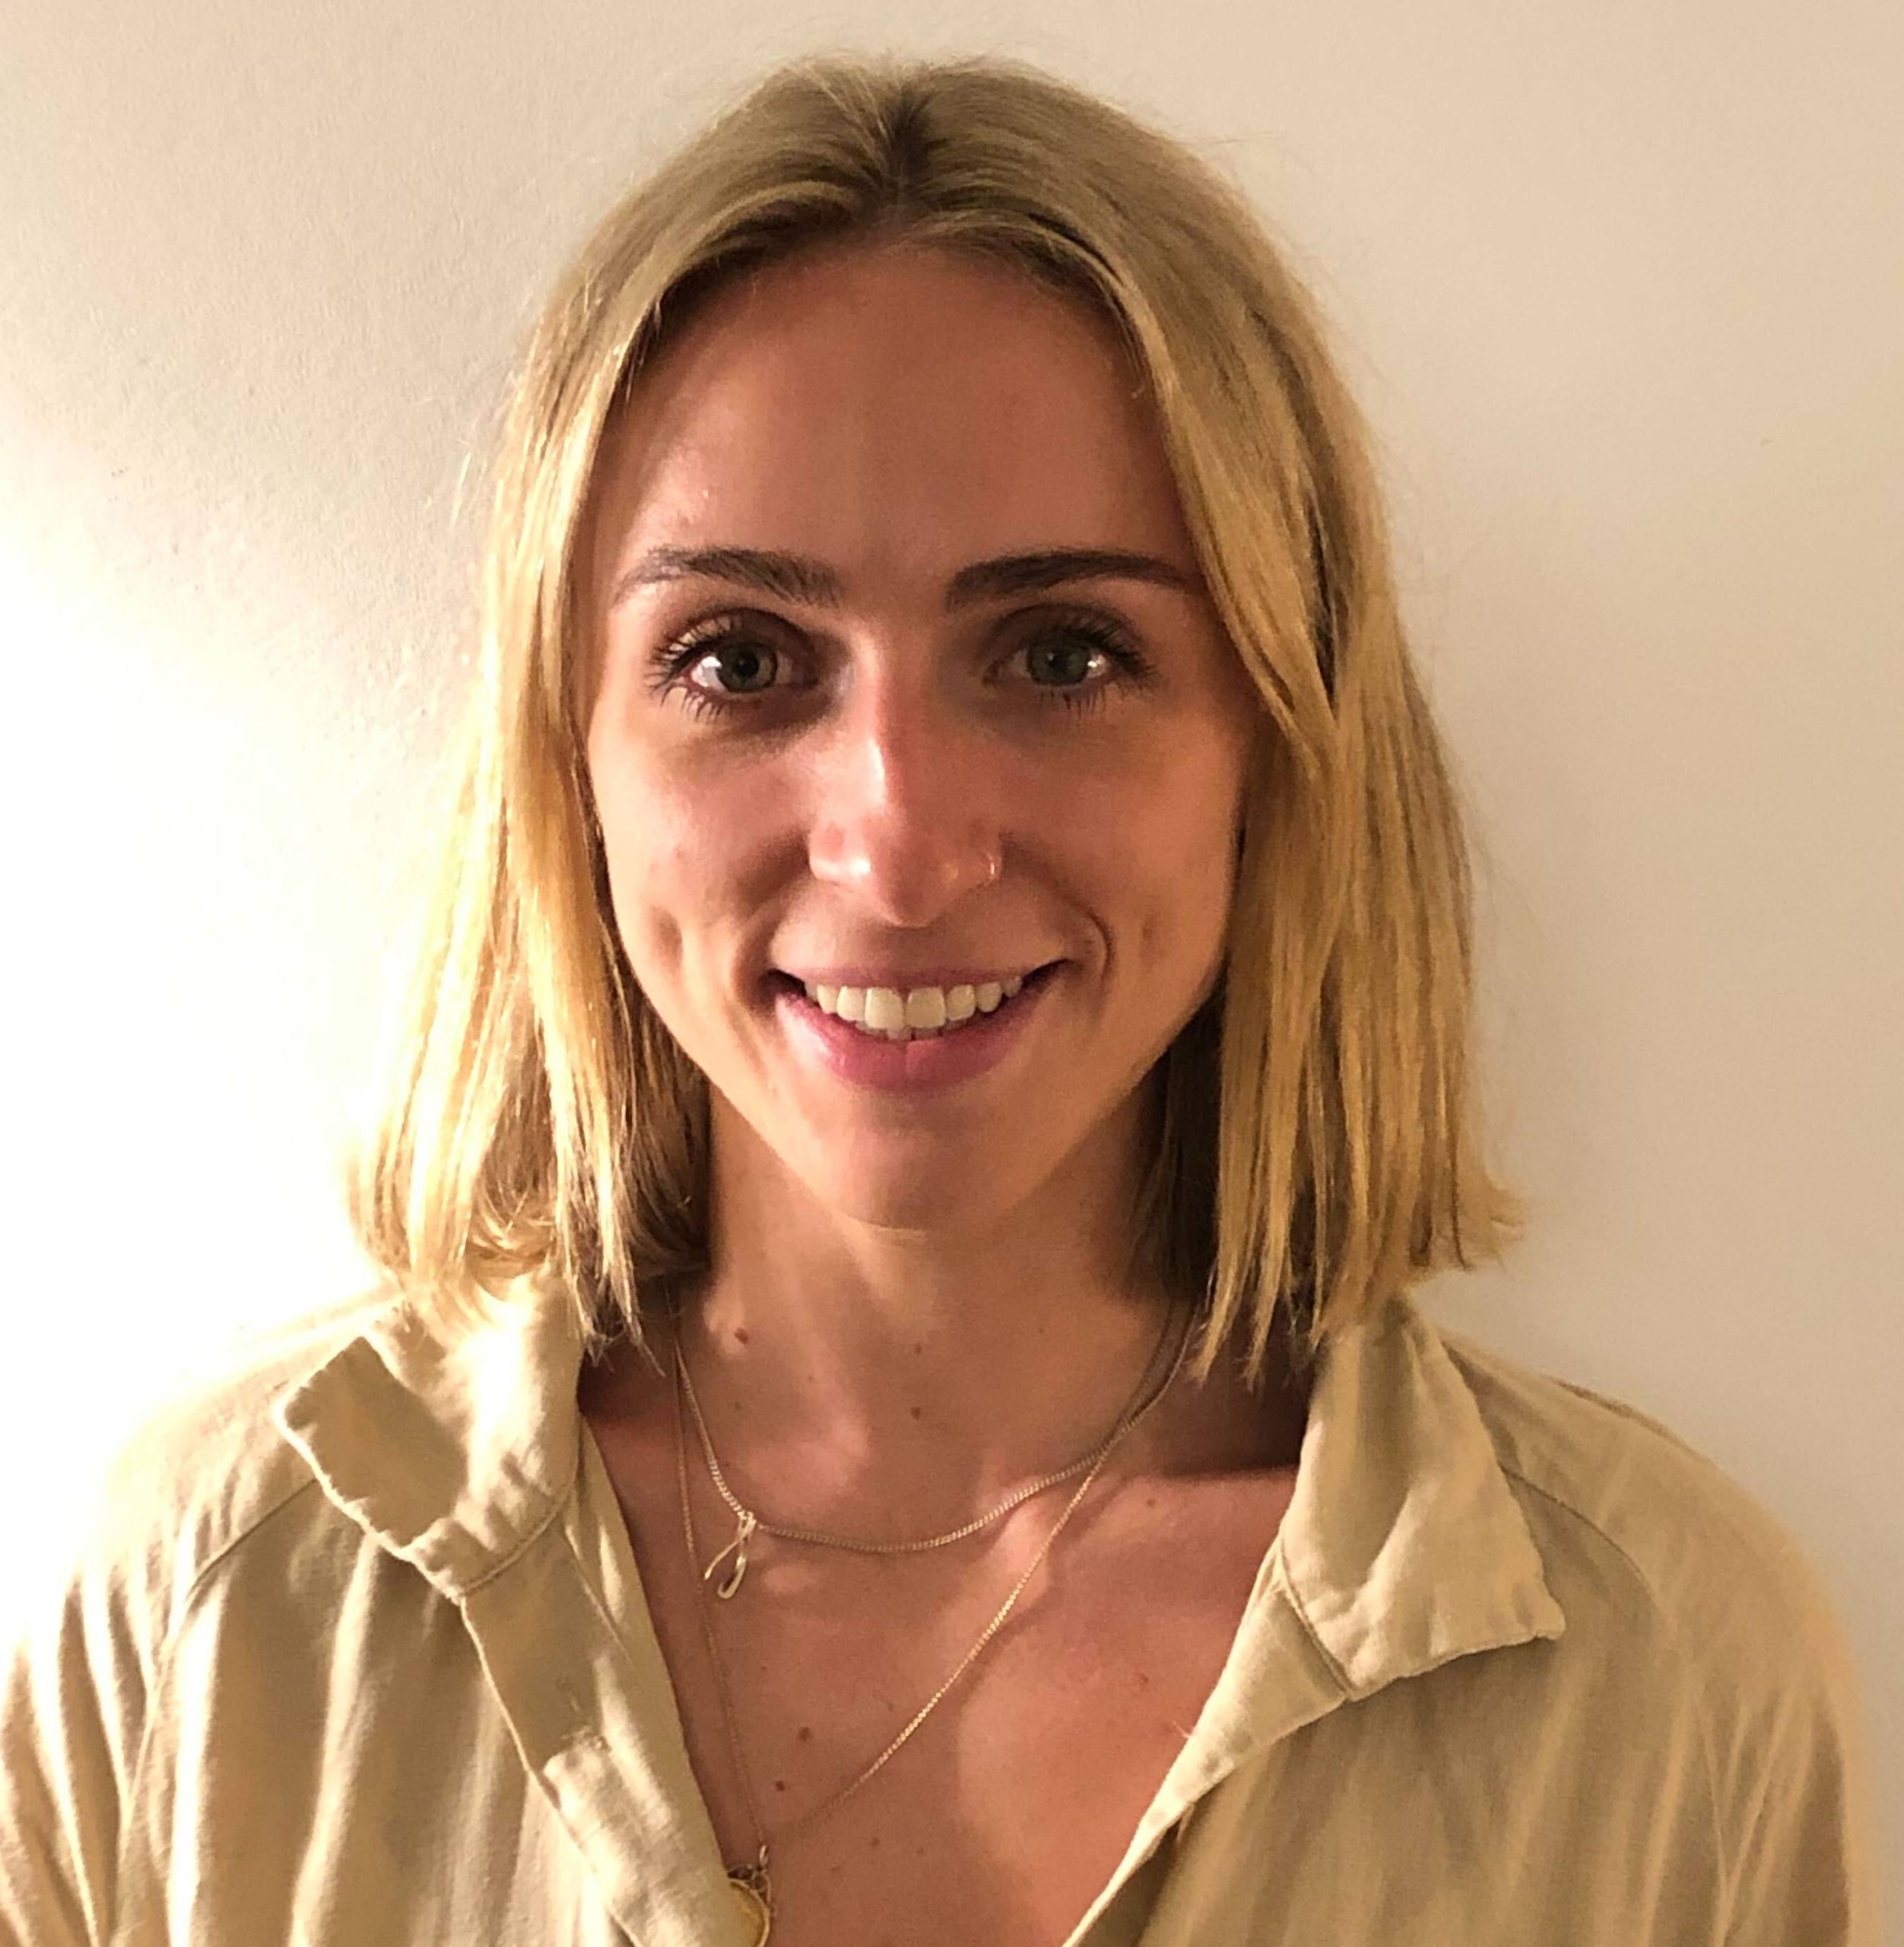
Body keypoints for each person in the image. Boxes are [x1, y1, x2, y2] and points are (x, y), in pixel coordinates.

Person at [0, 52, 1877, 1947]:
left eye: (1061, 654)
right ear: (569, 756)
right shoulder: (201, 1622)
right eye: (740, 660)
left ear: (1277, 744)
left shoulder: (1659, 1678)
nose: (895, 848)